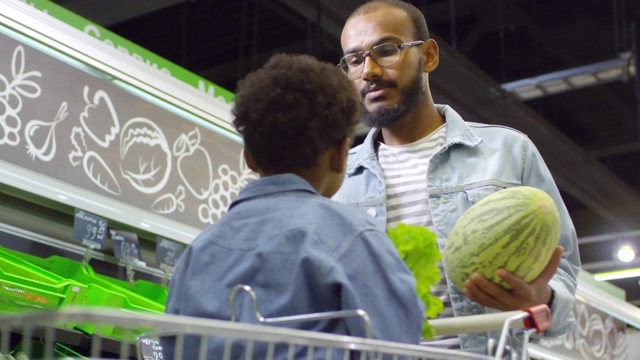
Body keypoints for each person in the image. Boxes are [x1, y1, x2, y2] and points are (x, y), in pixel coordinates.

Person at [332, 0, 581, 354]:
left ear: (429, 56)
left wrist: (541, 298)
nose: (368, 70)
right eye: (354, 60)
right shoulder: (338, 180)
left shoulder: (509, 152)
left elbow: (564, 270)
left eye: (386, 50)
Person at [163, 53, 425, 359]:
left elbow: (173, 345)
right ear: (340, 153)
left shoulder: (199, 251)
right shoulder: (353, 237)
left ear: (248, 156)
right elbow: (396, 343)